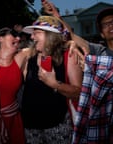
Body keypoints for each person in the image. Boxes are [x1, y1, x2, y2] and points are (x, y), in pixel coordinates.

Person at [42, 1, 113, 143]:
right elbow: (71, 35)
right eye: (105, 25)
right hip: (108, 120)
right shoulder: (98, 53)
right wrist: (56, 15)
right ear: (101, 33)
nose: (111, 26)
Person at [20, 15, 83, 144]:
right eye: (32, 34)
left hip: (56, 125)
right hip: (30, 126)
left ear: (50, 35)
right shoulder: (29, 56)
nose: (32, 37)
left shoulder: (68, 56)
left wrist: (55, 84)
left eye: (37, 33)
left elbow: (79, 92)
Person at [0, 27, 32, 144]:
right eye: (13, 34)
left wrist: (71, 42)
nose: (18, 38)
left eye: (18, 36)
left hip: (14, 119)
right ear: (0, 39)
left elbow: (47, 45)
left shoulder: (21, 57)